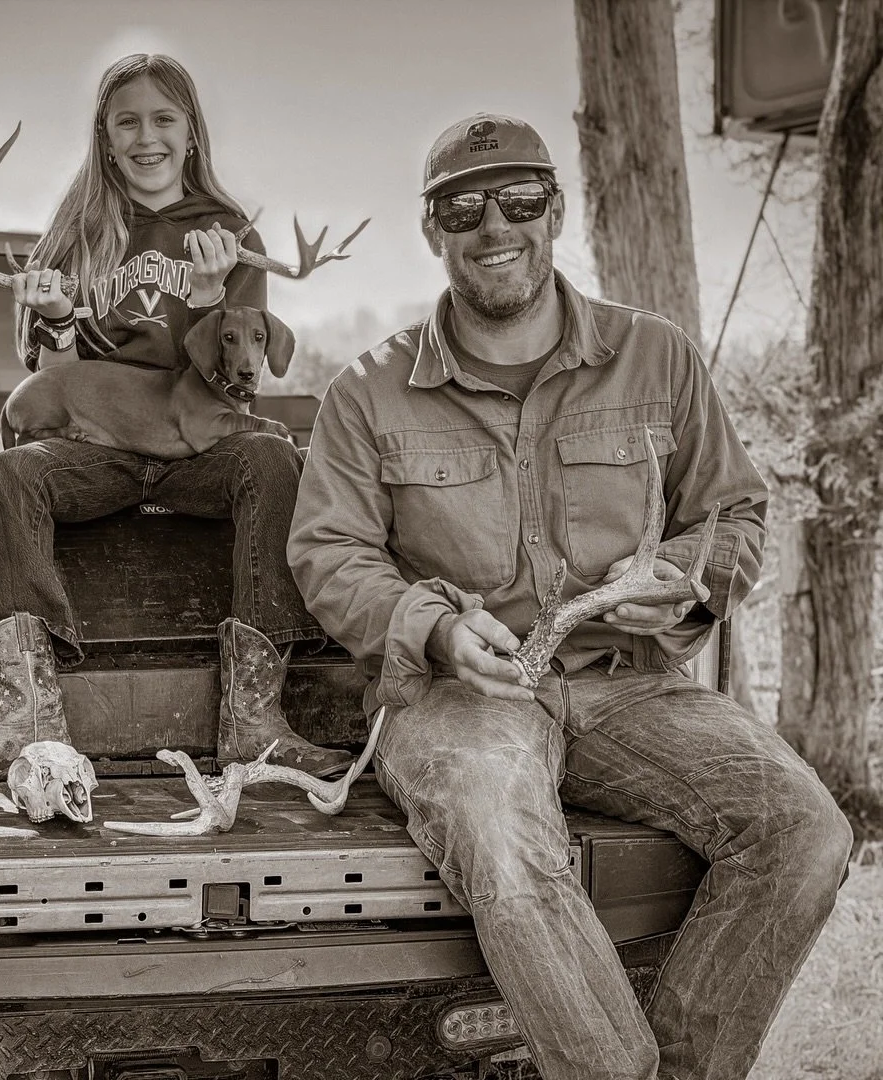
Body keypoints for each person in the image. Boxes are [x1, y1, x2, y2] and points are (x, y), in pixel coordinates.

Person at [287, 113, 851, 1080]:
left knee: (805, 829)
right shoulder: (366, 392)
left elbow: (736, 513)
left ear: (556, 210)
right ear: (434, 229)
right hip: (462, 698)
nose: (492, 225)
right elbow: (329, 555)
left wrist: (685, 584)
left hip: (630, 686)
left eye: (520, 199)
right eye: (462, 206)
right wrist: (433, 629)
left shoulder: (657, 357)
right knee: (505, 839)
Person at [0, 54, 351, 783]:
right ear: (106, 138)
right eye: (128, 122)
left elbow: (241, 370)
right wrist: (54, 317)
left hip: (198, 447)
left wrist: (210, 297)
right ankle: (25, 713)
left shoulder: (229, 232)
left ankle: (256, 720)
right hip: (102, 447)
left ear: (190, 133)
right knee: (10, 474)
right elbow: (46, 376)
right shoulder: (78, 231)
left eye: (163, 119)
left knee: (275, 461)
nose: (146, 137)